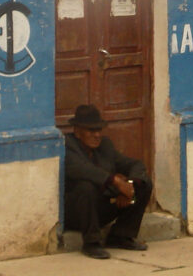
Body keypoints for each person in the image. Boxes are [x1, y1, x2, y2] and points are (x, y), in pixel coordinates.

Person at [64, 104, 152, 259]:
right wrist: (116, 182)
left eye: (99, 130)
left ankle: (121, 235)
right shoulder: (67, 145)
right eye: (91, 130)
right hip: (76, 213)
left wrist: (130, 185)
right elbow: (81, 169)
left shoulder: (105, 145)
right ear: (77, 132)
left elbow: (134, 164)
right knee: (86, 187)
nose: (97, 135)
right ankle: (91, 243)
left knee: (144, 185)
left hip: (102, 207)